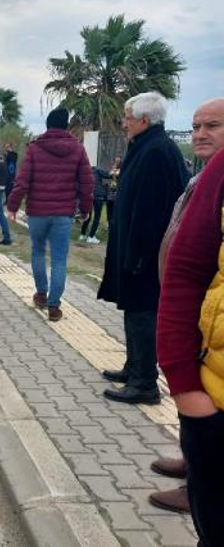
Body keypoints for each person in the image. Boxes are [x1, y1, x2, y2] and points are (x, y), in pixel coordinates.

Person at [149, 97, 224, 516]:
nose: (199, 134)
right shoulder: (206, 178)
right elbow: (188, 264)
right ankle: (195, 473)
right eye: (195, 126)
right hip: (199, 334)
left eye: (211, 126)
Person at [98, 92, 188, 405]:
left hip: (145, 255)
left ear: (144, 120)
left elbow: (152, 210)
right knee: (133, 310)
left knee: (143, 315)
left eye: (128, 118)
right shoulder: (145, 146)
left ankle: (145, 383)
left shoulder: (157, 152)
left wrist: (138, 254)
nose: (124, 123)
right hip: (134, 250)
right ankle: (133, 367)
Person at [7, 107, 93, 322]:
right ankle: (54, 307)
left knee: (37, 252)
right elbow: (86, 183)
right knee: (59, 260)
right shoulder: (78, 149)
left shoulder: (35, 149)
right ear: (66, 126)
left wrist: (13, 206)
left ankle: (41, 294)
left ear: (47, 124)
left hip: (37, 212)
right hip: (63, 214)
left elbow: (22, 181)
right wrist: (85, 210)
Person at [79, 164, 110, 244]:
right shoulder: (97, 170)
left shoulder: (86, 172)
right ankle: (91, 237)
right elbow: (108, 175)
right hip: (98, 196)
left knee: (88, 216)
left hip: (89, 195)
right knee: (97, 217)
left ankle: (82, 235)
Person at [104, 155, 121, 224]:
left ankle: (114, 221)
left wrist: (115, 172)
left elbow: (117, 174)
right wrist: (113, 171)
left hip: (117, 191)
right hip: (110, 191)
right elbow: (109, 174)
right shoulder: (112, 169)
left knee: (115, 207)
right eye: (116, 160)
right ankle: (108, 221)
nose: (117, 162)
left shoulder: (121, 169)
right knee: (109, 206)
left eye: (118, 161)